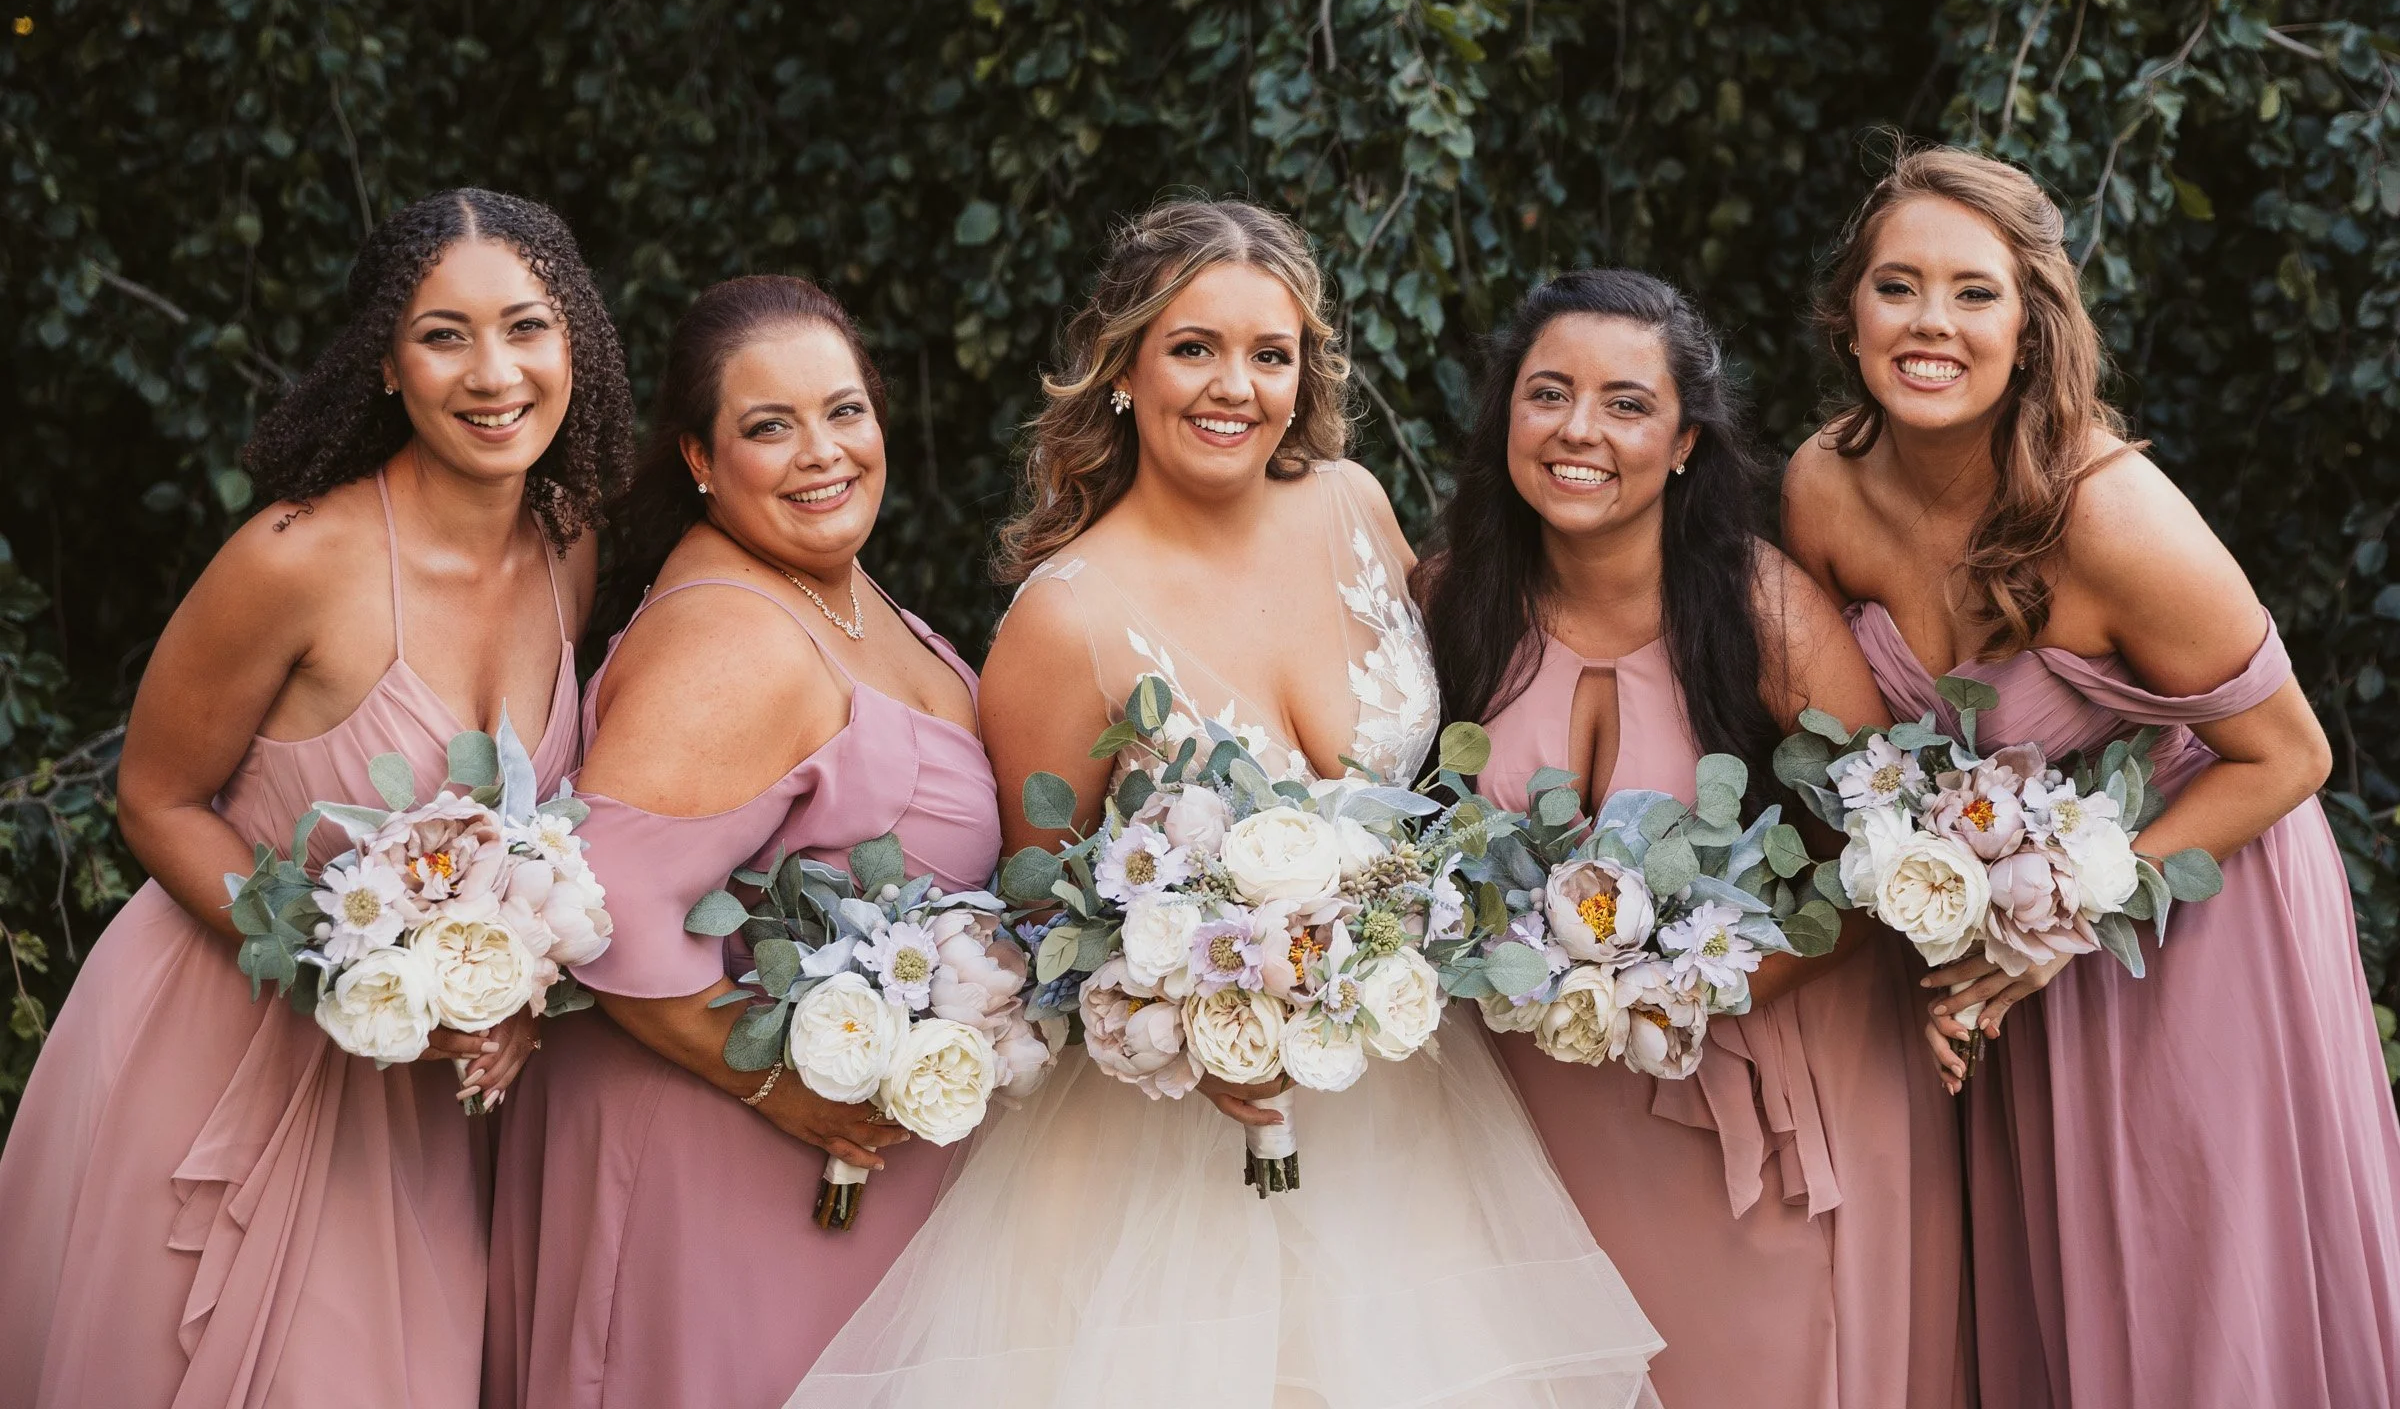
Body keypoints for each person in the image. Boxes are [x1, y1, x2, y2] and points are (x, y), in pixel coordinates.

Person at [787, 200, 1662, 1409]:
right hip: (1170, 1157)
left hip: (1412, 1115)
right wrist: (1184, 1022)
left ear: (1304, 377)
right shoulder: (1067, 617)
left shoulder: (1352, 504)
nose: (1234, 387)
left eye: (1270, 353)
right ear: (1124, 369)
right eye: (1194, 347)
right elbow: (1035, 916)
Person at [1783, 142, 2400, 1409]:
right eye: (1897, 286)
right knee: (2068, 1305)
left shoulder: (2110, 515)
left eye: (1975, 292)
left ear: (2031, 328)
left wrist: (2056, 922)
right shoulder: (1822, 490)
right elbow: (1859, 756)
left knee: (2199, 1296)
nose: (1931, 323)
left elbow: (2291, 753)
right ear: (1848, 315)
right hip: (2009, 945)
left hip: (2196, 908)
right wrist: (1948, 921)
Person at [0, 188, 634, 1408]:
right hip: (225, 1052)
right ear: (387, 365)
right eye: (443, 335)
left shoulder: (571, 544)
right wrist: (336, 972)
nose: (493, 372)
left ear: (577, 343)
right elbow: (155, 798)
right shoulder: (292, 559)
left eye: (527, 326)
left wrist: (516, 996)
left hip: (430, 1105)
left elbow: (525, 845)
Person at [1416, 266, 1969, 1408]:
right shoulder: (1453, 601)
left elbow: (1881, 864)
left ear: (1683, 445)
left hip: (1745, 1108)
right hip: (1531, 1117)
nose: (1579, 430)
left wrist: (1703, 991)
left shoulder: (1762, 611)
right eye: (1548, 394)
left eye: (1626, 404)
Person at [483, 275, 1005, 1409]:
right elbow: (605, 903)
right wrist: (776, 1086)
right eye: (771, 427)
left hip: (819, 1174)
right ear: (701, 459)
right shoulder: (735, 632)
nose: (823, 453)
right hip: (720, 1165)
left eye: (845, 411)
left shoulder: (835, 591)